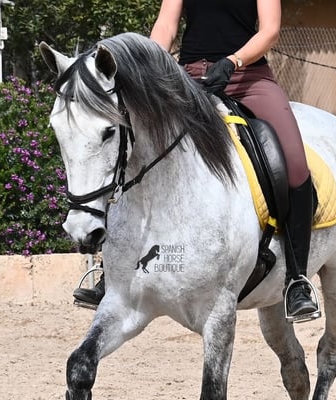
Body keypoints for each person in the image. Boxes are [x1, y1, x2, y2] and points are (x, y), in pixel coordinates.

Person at [76, 0, 318, 321]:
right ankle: (115, 271)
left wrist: (232, 62)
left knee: (294, 164)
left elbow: (270, 31)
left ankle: (296, 280)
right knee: (133, 151)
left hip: (248, 78)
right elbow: (166, 26)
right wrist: (147, 65)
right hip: (185, 79)